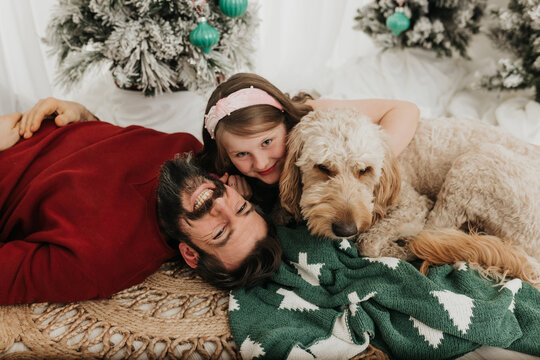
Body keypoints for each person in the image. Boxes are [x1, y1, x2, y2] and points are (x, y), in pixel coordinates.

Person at [0, 101, 281, 305]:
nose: (220, 206)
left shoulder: (98, 263)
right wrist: (84, 115)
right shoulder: (189, 155)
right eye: (240, 208)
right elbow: (109, 148)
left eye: (220, 232)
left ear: (190, 254)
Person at [194, 73, 420, 214]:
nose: (261, 163)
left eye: (267, 142)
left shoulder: (314, 116)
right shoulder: (232, 176)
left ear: (285, 121)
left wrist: (373, 161)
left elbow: (406, 109)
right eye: (241, 154)